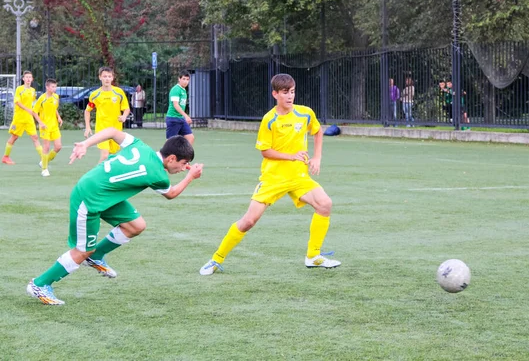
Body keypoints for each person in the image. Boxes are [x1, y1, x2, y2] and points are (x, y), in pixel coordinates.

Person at [26, 127, 203, 305]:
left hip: (103, 192)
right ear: (171, 158)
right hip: (90, 199)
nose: (184, 167)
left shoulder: (140, 146)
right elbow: (171, 194)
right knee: (82, 250)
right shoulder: (158, 175)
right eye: (183, 163)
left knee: (136, 226)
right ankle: (40, 284)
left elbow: (111, 131)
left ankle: (96, 256)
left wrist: (85, 144)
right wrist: (190, 177)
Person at [199, 73, 340, 276]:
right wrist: (292, 156)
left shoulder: (305, 113)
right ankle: (216, 259)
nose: (290, 96)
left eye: (292, 92)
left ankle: (313, 256)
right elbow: (265, 151)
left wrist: (317, 158)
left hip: (298, 178)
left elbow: (317, 132)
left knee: (325, 204)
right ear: (275, 94)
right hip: (273, 178)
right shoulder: (269, 119)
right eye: (285, 93)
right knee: (248, 221)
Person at [84, 67, 131, 162]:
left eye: (109, 76)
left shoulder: (119, 92)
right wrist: (88, 127)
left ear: (112, 78)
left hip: (116, 129)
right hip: (102, 129)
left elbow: (126, 108)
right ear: (100, 77)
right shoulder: (95, 95)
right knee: (105, 155)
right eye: (104, 76)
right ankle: (96, 176)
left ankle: (107, 176)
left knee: (112, 157)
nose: (107, 78)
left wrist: (124, 116)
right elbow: (87, 110)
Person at [2, 71, 46, 165]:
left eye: (30, 77)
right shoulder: (19, 89)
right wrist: (28, 110)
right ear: (23, 79)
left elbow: (32, 103)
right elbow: (17, 102)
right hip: (19, 118)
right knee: (14, 137)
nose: (28, 79)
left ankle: (43, 158)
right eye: (26, 77)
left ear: (32, 79)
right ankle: (5, 157)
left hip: (29, 119)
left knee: (35, 137)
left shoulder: (33, 91)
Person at [33, 78, 63, 177]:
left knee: (58, 147)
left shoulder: (56, 97)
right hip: (45, 127)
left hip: (54, 126)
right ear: (47, 87)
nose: (55, 88)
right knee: (46, 147)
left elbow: (54, 109)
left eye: (55, 86)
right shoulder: (42, 98)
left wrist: (58, 117)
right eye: (53, 87)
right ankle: (44, 169)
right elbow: (34, 112)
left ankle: (43, 161)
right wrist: (40, 123)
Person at [166, 70, 194, 145]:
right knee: (170, 143)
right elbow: (176, 105)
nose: (186, 81)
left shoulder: (183, 90)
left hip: (181, 119)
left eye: (187, 79)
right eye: (184, 79)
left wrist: (184, 116)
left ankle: (183, 155)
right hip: (173, 118)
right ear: (179, 79)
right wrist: (186, 116)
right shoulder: (176, 89)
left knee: (190, 137)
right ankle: (164, 155)